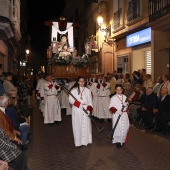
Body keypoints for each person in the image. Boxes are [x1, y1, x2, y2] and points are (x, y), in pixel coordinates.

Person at [69, 76, 93, 147]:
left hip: (85, 109)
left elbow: (90, 102)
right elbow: (71, 100)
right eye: (80, 81)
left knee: (86, 125)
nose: (82, 83)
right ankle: (78, 142)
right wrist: (79, 105)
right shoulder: (74, 90)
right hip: (77, 110)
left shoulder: (88, 91)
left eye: (83, 81)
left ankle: (85, 141)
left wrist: (89, 109)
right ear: (78, 82)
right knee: (78, 125)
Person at [109, 84, 130, 148]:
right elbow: (111, 107)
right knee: (118, 128)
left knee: (126, 127)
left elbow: (127, 105)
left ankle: (122, 140)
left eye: (120, 90)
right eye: (117, 90)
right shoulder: (113, 97)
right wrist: (118, 111)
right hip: (117, 115)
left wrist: (126, 104)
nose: (119, 91)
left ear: (122, 90)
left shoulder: (125, 97)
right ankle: (118, 141)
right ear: (115, 90)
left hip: (124, 114)